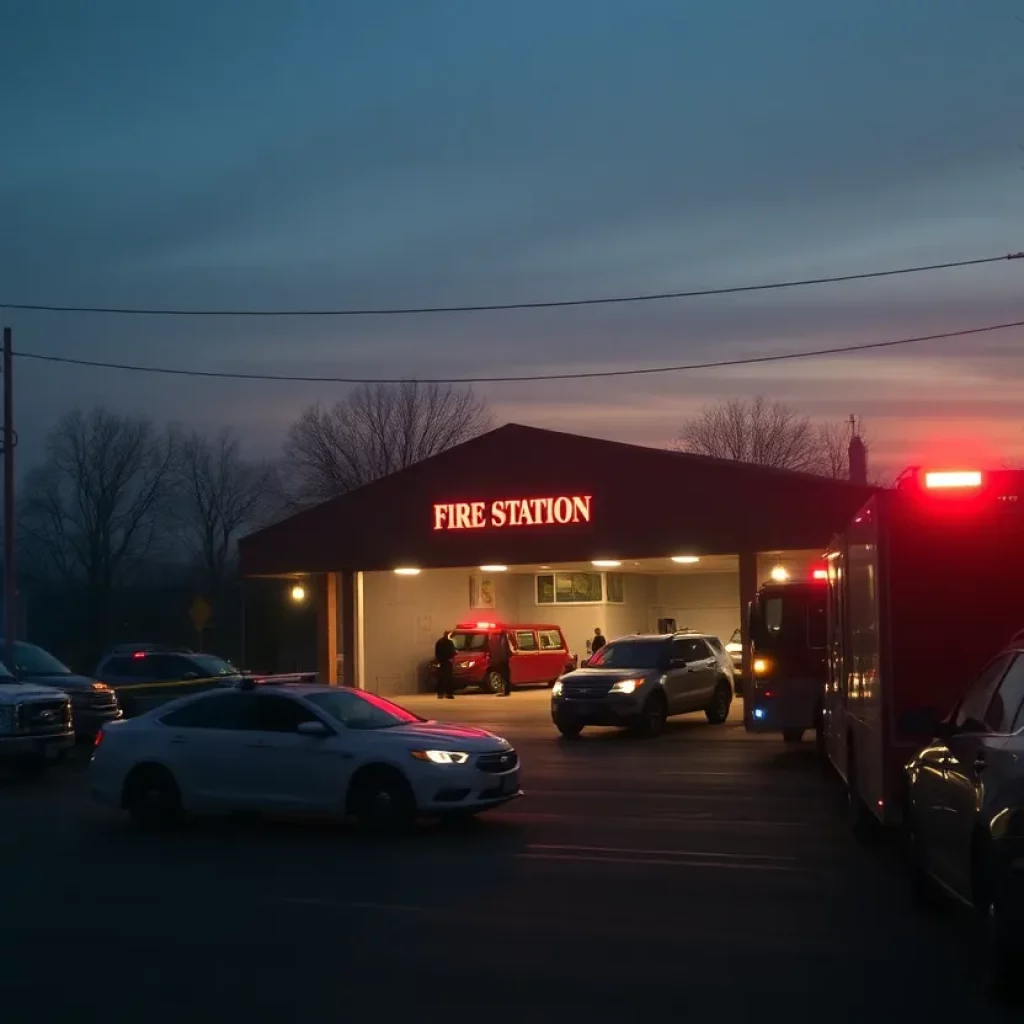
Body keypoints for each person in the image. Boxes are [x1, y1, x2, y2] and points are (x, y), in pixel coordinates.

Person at [434, 630, 456, 700]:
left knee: (441, 678)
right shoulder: (449, 642)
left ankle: (440, 694)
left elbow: (437, 652)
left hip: (441, 662)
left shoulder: (439, 642)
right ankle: (449, 694)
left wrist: (438, 660)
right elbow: (452, 652)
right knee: (449, 678)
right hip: (448, 662)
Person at [493, 630, 512, 697]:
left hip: (503, 661)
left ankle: (505, 692)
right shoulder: (506, 640)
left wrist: (501, 660)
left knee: (504, 677)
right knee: (505, 677)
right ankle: (506, 691)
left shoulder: (503, 641)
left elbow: (503, 652)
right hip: (504, 661)